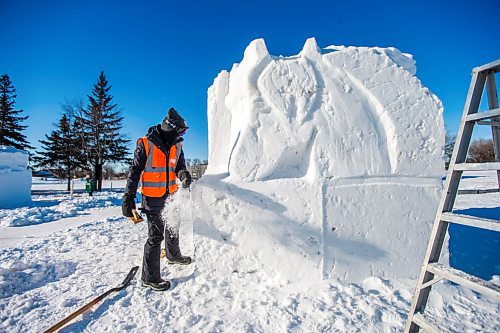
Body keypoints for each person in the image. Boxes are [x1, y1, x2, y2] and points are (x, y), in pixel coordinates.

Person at [122, 107, 192, 291]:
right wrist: (128, 197)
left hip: (171, 196)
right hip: (152, 198)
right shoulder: (145, 144)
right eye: (181, 131)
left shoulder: (177, 145)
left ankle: (173, 255)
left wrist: (183, 174)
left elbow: (180, 166)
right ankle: (150, 278)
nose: (182, 135)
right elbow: (134, 172)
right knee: (155, 236)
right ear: (170, 128)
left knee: (173, 225)